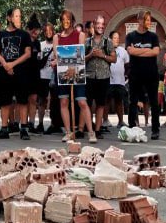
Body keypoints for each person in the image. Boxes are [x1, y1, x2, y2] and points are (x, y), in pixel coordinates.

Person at [53, 9, 96, 143]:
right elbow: (56, 54)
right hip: (62, 71)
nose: (66, 21)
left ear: (72, 20)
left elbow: (79, 54)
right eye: (63, 19)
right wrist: (64, 57)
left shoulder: (80, 35)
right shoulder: (57, 37)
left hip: (77, 70)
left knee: (82, 101)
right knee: (64, 101)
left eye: (68, 19)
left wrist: (63, 58)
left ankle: (91, 132)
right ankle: (68, 132)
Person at [0, 7, 32, 141]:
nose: (18, 18)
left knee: (22, 100)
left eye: (20, 16)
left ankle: (24, 128)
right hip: (5, 71)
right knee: (5, 100)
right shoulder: (1, 34)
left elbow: (28, 53)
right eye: (16, 16)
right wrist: (5, 64)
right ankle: (4, 128)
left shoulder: (24, 35)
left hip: (21, 71)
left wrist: (12, 64)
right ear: (9, 18)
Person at [126, 9, 160, 140]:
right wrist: (147, 50)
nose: (148, 22)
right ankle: (131, 127)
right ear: (139, 20)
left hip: (151, 74)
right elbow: (131, 52)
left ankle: (155, 129)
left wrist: (138, 50)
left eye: (149, 20)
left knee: (154, 102)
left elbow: (155, 52)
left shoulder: (153, 36)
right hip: (135, 74)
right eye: (146, 19)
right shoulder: (130, 36)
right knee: (132, 101)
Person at [83, 14, 116, 137]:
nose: (100, 26)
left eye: (102, 24)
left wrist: (103, 56)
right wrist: (91, 55)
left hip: (104, 76)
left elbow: (114, 59)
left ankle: (97, 129)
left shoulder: (108, 42)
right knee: (89, 103)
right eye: (98, 24)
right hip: (90, 76)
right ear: (94, 24)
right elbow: (81, 59)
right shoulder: (87, 42)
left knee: (101, 104)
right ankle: (89, 128)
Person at [34, 21, 55, 133]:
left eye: (50, 30)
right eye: (46, 31)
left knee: (53, 101)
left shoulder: (56, 45)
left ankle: (53, 124)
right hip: (42, 76)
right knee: (42, 101)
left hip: (53, 76)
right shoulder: (40, 45)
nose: (48, 33)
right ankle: (40, 123)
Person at [107, 30, 129, 127]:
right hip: (109, 80)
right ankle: (105, 121)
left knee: (119, 101)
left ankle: (120, 121)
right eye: (114, 38)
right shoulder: (106, 49)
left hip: (120, 81)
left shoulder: (122, 51)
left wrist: (125, 76)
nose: (117, 40)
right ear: (110, 39)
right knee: (106, 101)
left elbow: (127, 64)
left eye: (118, 38)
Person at [25, 15, 42, 134]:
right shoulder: (24, 42)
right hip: (24, 73)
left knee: (33, 99)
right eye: (33, 29)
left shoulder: (38, 44)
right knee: (23, 100)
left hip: (35, 74)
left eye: (37, 30)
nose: (36, 32)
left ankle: (31, 122)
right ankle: (22, 122)